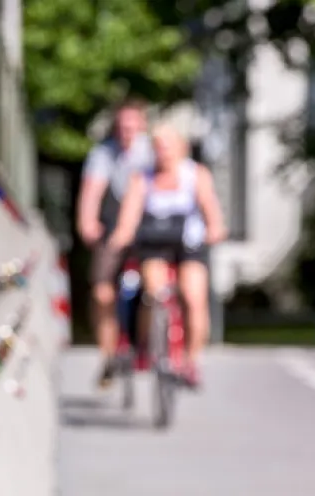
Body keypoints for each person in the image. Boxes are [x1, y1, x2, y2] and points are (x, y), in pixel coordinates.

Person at [106, 124, 227, 388]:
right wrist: (119, 238)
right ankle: (147, 343)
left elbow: (210, 208)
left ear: (182, 148)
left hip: (189, 243)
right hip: (154, 244)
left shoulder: (195, 175)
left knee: (193, 296)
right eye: (159, 147)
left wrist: (215, 229)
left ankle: (191, 360)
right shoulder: (143, 179)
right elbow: (129, 217)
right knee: (154, 292)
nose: (164, 152)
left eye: (169, 146)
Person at [76, 98, 155, 388]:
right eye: (122, 126)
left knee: (156, 287)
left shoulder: (152, 151)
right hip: (114, 226)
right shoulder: (104, 153)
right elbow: (92, 189)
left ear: (142, 125)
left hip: (150, 227)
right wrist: (87, 221)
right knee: (101, 291)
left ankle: (150, 342)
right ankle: (108, 355)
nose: (127, 132)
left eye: (132, 126)